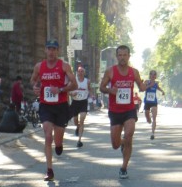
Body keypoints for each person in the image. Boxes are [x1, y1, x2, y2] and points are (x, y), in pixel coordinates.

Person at [30, 39, 78, 181]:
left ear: (58, 51)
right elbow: (33, 80)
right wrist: (35, 87)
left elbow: (74, 84)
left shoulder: (64, 66)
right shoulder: (39, 66)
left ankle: (59, 144)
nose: (51, 52)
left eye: (54, 49)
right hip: (46, 105)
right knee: (47, 135)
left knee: (57, 138)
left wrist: (61, 89)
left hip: (61, 105)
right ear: (45, 50)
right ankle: (49, 170)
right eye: (49, 49)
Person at [99, 45, 147, 179]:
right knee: (115, 144)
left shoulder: (134, 72)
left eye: (125, 55)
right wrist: (110, 90)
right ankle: (122, 143)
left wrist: (146, 85)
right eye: (120, 55)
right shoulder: (110, 71)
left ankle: (124, 167)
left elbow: (141, 87)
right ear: (117, 57)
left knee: (129, 135)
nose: (122, 57)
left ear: (129, 56)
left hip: (129, 110)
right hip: (115, 111)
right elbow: (102, 87)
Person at [69, 67, 91, 147]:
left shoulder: (87, 81)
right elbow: (68, 90)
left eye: (82, 71)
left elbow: (89, 89)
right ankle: (77, 127)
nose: (80, 73)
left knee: (82, 120)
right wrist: (72, 93)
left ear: (84, 73)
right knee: (75, 121)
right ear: (77, 72)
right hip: (75, 102)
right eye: (79, 71)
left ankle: (79, 140)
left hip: (83, 102)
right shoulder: (73, 81)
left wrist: (91, 96)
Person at [143, 70, 165, 140]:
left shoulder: (156, 83)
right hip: (147, 102)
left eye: (154, 74)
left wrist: (162, 91)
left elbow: (157, 87)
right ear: (149, 75)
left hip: (154, 102)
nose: (153, 75)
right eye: (151, 74)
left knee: (154, 118)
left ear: (156, 76)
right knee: (147, 115)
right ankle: (148, 119)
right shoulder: (146, 82)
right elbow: (143, 89)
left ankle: (152, 133)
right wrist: (149, 85)